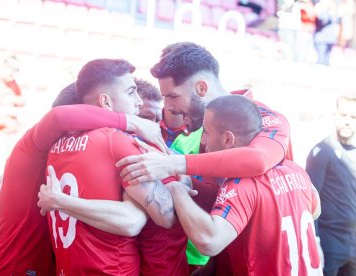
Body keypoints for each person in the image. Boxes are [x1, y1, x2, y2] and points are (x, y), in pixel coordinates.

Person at [116, 41, 292, 271]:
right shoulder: (205, 132)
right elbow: (221, 202)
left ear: (201, 88)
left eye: (173, 96)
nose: (168, 108)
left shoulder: (267, 119)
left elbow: (257, 161)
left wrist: (174, 165)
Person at [0, 86, 165, 275]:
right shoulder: (31, 148)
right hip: (14, 269)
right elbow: (58, 117)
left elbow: (131, 220)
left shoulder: (67, 154)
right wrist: (132, 122)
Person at [44, 58, 188, 275]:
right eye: (131, 92)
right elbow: (166, 216)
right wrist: (181, 175)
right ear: (106, 102)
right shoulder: (118, 140)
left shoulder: (55, 145)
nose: (139, 102)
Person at [166, 94, 321, 275]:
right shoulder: (295, 169)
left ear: (227, 139)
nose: (202, 141)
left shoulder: (241, 183)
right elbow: (316, 210)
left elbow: (209, 241)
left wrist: (177, 191)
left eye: (206, 132)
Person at [306, 94, 356, 275]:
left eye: (353, 117)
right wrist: (316, 242)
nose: (347, 121)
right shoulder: (322, 152)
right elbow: (308, 201)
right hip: (327, 243)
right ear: (335, 115)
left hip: (351, 244)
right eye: (343, 115)